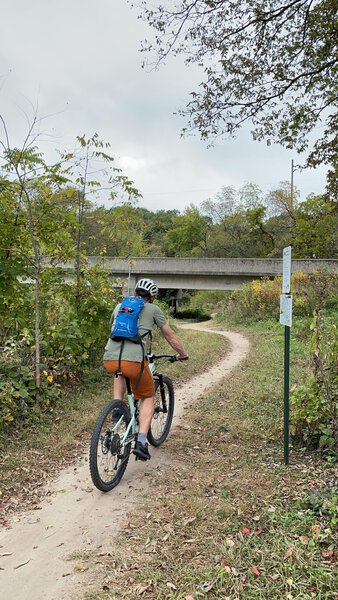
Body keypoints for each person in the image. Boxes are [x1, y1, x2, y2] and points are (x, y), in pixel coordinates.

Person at [103, 278, 189, 461]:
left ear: (135, 294)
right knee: (147, 395)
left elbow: (113, 328)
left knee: (120, 370)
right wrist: (182, 353)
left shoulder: (120, 306)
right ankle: (141, 442)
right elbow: (170, 335)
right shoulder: (153, 309)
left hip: (110, 358)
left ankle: (117, 406)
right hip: (134, 362)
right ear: (152, 298)